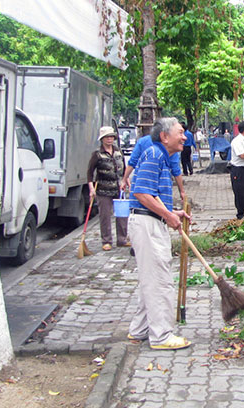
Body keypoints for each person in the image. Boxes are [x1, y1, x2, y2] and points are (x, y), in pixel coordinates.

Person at [127, 117, 191, 350]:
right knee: (159, 281)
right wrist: (167, 216)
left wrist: (171, 212)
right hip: (147, 225)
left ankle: (139, 330)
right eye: (180, 132)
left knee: (150, 279)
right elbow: (142, 193)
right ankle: (161, 336)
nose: (184, 137)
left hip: (149, 221)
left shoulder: (160, 156)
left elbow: (151, 195)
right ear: (165, 136)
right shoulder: (154, 155)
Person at [87, 126, 129, 251]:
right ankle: (106, 240)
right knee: (104, 215)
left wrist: (126, 181)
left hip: (118, 188)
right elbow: (90, 172)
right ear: (102, 139)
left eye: (111, 137)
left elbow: (124, 168)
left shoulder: (118, 151)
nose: (110, 139)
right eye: (107, 137)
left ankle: (122, 239)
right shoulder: (97, 154)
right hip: (103, 189)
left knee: (122, 215)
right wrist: (91, 188)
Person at [120, 133, 186, 203]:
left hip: (141, 187)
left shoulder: (143, 141)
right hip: (158, 190)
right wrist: (181, 191)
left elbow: (132, 163)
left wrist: (124, 180)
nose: (184, 138)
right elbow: (176, 171)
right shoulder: (165, 148)